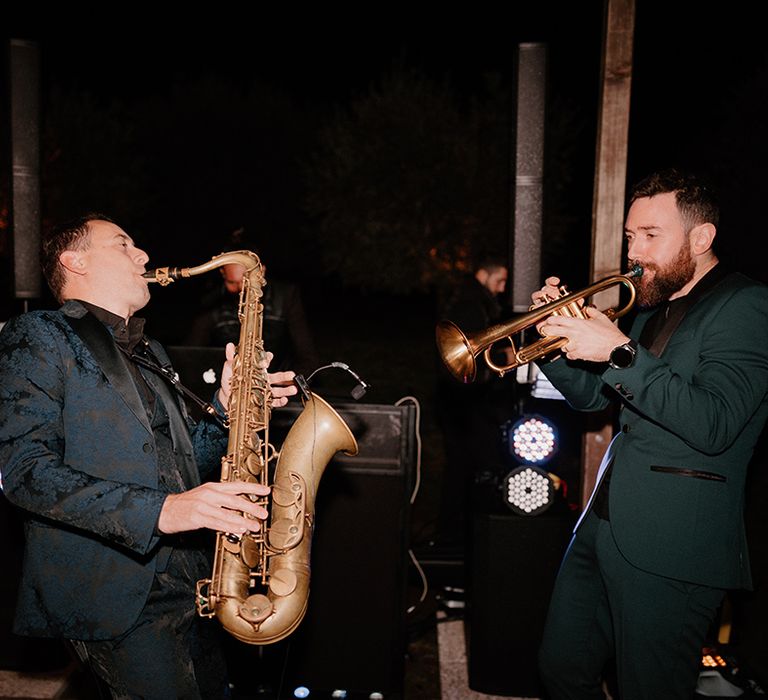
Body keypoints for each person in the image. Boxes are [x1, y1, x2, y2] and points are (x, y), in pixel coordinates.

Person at [0, 214, 297, 699]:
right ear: (74, 262)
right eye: (124, 245)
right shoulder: (39, 335)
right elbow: (25, 473)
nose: (143, 256)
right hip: (115, 592)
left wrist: (228, 410)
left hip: (194, 585)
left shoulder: (151, 351)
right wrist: (163, 511)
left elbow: (185, 469)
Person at [533, 169, 768, 699]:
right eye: (630, 236)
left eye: (650, 235)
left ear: (701, 239)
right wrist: (554, 336)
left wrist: (617, 351)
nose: (635, 251)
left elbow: (715, 423)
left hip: (675, 542)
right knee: (561, 670)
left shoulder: (748, 306)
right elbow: (595, 398)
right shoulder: (647, 310)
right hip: (604, 524)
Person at [434, 256, 513, 549]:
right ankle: (457, 539)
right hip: (466, 403)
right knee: (466, 470)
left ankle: (455, 536)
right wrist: (504, 358)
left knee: (460, 469)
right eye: (500, 280)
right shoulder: (471, 304)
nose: (502, 288)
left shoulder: (471, 299)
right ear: (483, 273)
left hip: (461, 403)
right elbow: (465, 361)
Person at [185, 259, 320, 376]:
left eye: (246, 282)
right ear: (222, 273)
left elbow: (308, 358)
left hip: (278, 384)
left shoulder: (286, 296)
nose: (241, 290)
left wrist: (285, 385)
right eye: (232, 283)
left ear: (261, 272)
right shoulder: (211, 303)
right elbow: (191, 357)